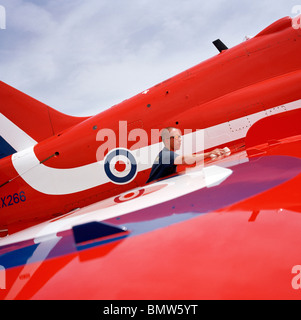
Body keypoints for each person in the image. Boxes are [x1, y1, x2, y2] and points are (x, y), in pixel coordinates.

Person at [146, 127, 229, 183]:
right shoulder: (167, 155)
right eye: (176, 137)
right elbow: (184, 160)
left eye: (180, 137)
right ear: (167, 140)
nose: (179, 140)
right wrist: (209, 154)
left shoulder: (164, 154)